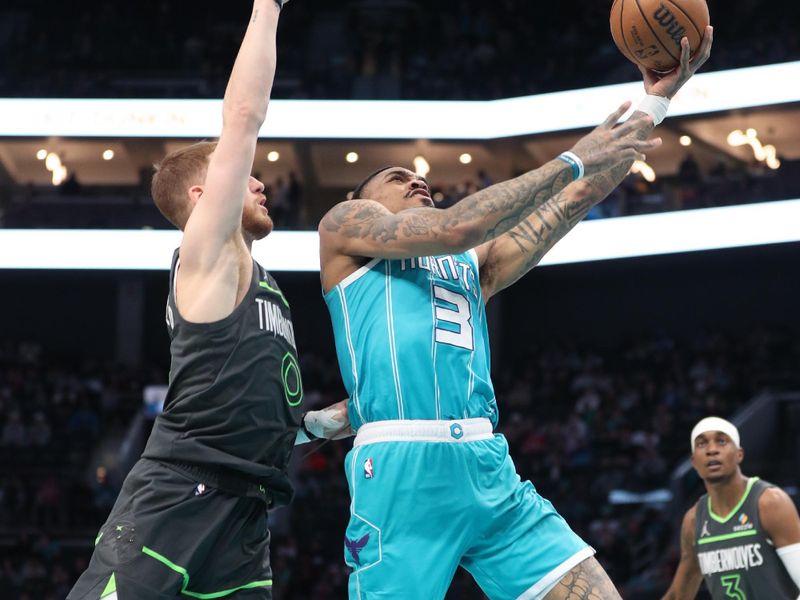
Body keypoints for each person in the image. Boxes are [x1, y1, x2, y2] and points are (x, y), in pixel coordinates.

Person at [318, 30, 713, 599]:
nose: (416, 179)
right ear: (368, 198)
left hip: (486, 464)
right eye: (397, 178)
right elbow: (462, 224)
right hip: (402, 472)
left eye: (418, 176)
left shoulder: (470, 266)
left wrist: (659, 99)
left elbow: (571, 201)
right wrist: (574, 157)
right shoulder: (346, 227)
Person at [67, 2, 349, 598]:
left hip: (246, 516)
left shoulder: (260, 279)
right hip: (175, 499)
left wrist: (315, 426)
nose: (260, 182)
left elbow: (238, 407)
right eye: (245, 178)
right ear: (205, 194)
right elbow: (243, 118)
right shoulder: (207, 252)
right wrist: (267, 8)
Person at [661, 416, 800, 599]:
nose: (712, 450)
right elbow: (678, 596)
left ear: (739, 454)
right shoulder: (694, 521)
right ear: (694, 461)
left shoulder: (769, 503)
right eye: (702, 444)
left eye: (721, 441)